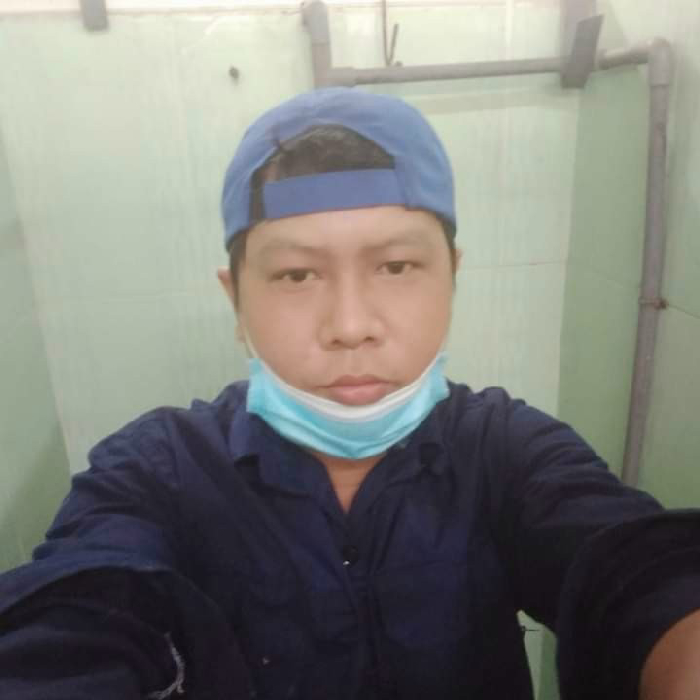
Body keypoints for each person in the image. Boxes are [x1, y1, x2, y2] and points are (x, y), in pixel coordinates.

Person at [1, 87, 699, 700]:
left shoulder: (510, 451)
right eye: (296, 276)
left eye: (396, 266)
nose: (351, 326)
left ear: (451, 278)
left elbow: (638, 574)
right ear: (236, 300)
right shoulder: (156, 471)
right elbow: (78, 619)